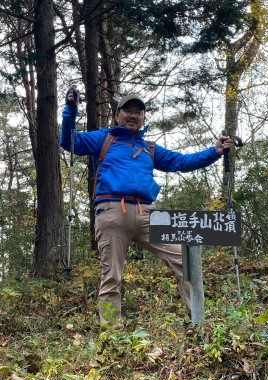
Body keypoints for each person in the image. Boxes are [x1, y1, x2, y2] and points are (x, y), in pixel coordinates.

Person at [60, 86, 234, 326]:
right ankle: (112, 336)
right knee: (111, 276)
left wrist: (214, 152)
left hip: (147, 213)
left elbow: (181, 162)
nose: (133, 115)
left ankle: (200, 323)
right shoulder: (104, 138)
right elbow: (70, 141)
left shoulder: (148, 148)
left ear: (143, 118)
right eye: (127, 111)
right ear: (117, 115)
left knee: (185, 261)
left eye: (138, 112)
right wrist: (70, 110)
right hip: (112, 211)